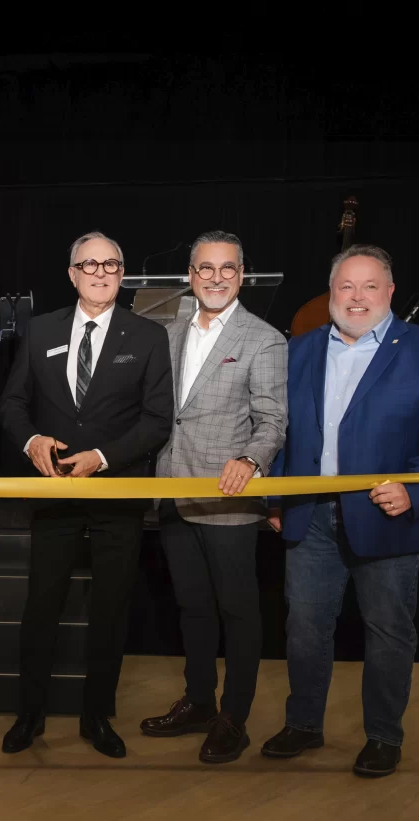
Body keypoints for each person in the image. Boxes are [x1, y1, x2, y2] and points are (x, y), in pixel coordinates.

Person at [262, 244, 419, 777]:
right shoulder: (299, 350)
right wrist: (276, 497)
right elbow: (282, 432)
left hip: (390, 515)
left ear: (390, 292)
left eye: (369, 286)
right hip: (309, 514)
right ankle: (305, 724)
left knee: (387, 631)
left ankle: (383, 735)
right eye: (346, 287)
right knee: (305, 629)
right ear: (330, 293)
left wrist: (416, 490)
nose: (357, 298)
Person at [0, 230, 173, 758]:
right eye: (89, 264)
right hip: (53, 493)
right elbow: (12, 404)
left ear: (123, 276)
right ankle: (29, 715)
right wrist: (31, 442)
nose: (100, 273)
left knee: (110, 609)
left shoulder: (148, 336)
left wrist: (103, 459)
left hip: (116, 493)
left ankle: (97, 716)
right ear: (72, 274)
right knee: (42, 606)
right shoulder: (40, 329)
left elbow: (157, 419)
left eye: (111, 265)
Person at [141, 230, 288, 763]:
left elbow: (273, 420)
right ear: (190, 276)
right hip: (174, 493)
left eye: (227, 269)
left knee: (237, 612)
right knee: (193, 608)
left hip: (229, 500)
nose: (216, 277)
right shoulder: (168, 333)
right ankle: (200, 701)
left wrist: (250, 461)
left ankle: (234, 718)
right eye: (206, 269)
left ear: (241, 275)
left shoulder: (264, 338)